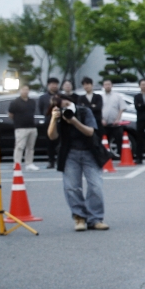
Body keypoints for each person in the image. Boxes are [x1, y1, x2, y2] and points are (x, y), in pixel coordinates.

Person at [46, 92, 108, 231]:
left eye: (67, 104)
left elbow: (90, 132)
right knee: (72, 187)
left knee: (96, 186)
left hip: (90, 152)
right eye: (63, 107)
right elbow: (52, 136)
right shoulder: (59, 117)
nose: (66, 108)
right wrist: (54, 119)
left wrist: (73, 121)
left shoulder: (84, 111)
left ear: (70, 101)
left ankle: (95, 219)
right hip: (70, 154)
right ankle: (79, 217)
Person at [8, 84, 38, 169]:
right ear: (20, 90)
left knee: (30, 147)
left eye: (27, 89)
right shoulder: (15, 102)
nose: (25, 91)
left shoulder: (32, 102)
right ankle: (17, 163)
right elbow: (11, 114)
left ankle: (29, 163)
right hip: (20, 127)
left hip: (32, 126)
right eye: (23, 89)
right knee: (19, 146)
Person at [36, 78, 61, 170]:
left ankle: (60, 160)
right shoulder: (43, 97)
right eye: (52, 84)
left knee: (60, 142)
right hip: (49, 122)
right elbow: (41, 109)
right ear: (48, 85)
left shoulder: (61, 96)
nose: (54, 86)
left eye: (55, 84)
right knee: (50, 143)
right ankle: (51, 161)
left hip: (60, 122)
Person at [99, 78, 124, 153]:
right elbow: (98, 110)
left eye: (109, 84)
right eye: (105, 85)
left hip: (116, 124)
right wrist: (102, 119)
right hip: (104, 124)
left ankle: (121, 156)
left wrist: (117, 119)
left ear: (112, 85)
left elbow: (121, 108)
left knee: (119, 140)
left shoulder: (117, 96)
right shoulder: (100, 97)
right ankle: (106, 158)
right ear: (103, 86)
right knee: (104, 142)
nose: (107, 86)